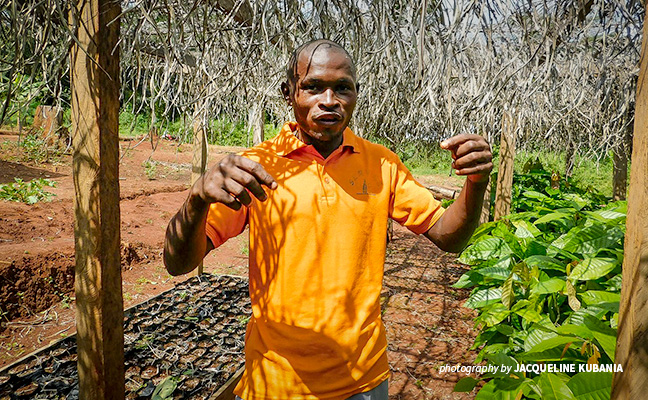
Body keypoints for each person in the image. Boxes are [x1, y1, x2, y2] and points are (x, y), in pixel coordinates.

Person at [164, 39, 492, 400]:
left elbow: (450, 237)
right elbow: (179, 263)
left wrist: (476, 183)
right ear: (288, 93)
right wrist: (196, 199)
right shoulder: (256, 167)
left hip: (363, 379)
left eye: (342, 88)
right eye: (313, 87)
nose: (329, 100)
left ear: (356, 94)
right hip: (275, 382)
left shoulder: (381, 164)